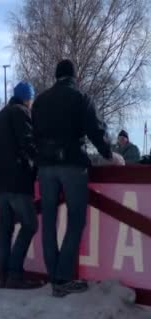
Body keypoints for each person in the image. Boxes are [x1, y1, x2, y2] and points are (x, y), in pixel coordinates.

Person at [32, 60, 124, 297]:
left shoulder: (40, 101)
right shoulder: (80, 97)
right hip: (72, 164)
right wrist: (109, 154)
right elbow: (95, 129)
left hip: (45, 166)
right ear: (74, 76)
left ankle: (54, 275)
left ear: (56, 76)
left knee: (49, 221)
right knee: (76, 220)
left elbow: (33, 134)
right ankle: (63, 277)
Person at [0, 81, 41, 289]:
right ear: (28, 98)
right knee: (30, 225)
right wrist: (40, 161)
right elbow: (27, 143)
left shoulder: (1, 115)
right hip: (16, 179)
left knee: (6, 228)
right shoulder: (21, 113)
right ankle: (15, 273)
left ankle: (4, 274)